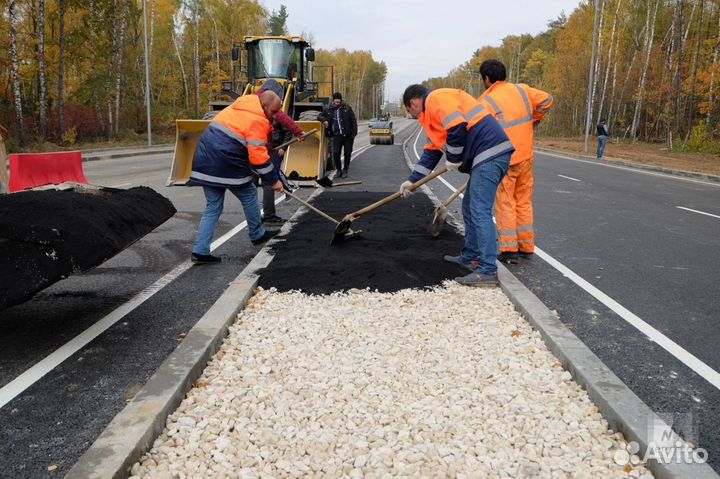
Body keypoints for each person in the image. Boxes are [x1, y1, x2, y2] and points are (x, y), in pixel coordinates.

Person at [401, 84, 514, 287]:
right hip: (485, 156)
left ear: (413, 103)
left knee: (479, 210)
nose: (414, 116)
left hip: (490, 153)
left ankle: (488, 270)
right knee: (469, 208)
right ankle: (470, 257)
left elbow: (457, 127)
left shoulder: (435, 99)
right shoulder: (431, 117)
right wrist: (412, 181)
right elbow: (431, 152)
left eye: (411, 112)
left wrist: (453, 157)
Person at [188, 90, 284, 264]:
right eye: (274, 111)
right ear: (264, 106)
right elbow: (258, 157)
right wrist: (274, 180)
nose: (276, 116)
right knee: (248, 194)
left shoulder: (237, 107)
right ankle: (257, 234)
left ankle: (200, 251)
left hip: (205, 161)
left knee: (213, 206)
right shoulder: (258, 120)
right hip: (225, 163)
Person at [479, 59, 554, 264]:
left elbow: (480, 132)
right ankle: (526, 245)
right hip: (526, 155)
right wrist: (533, 119)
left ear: (487, 78)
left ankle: (509, 249)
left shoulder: (487, 100)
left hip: (505, 158)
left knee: (505, 202)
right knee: (523, 200)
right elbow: (547, 100)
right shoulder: (523, 90)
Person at [255, 79, 305, 225]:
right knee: (268, 181)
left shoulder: (259, 102)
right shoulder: (258, 108)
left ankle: (261, 218)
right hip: (258, 149)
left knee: (254, 184)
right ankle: (266, 217)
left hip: (269, 148)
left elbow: (281, 118)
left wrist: (297, 131)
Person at [318, 92, 357, 178]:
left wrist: (353, 133)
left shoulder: (347, 108)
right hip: (337, 135)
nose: (337, 104)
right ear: (333, 101)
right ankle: (339, 170)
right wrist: (324, 120)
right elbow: (319, 116)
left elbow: (353, 121)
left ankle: (345, 170)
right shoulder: (329, 109)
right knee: (336, 153)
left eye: (339, 102)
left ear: (341, 101)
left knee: (347, 153)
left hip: (348, 136)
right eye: (336, 102)